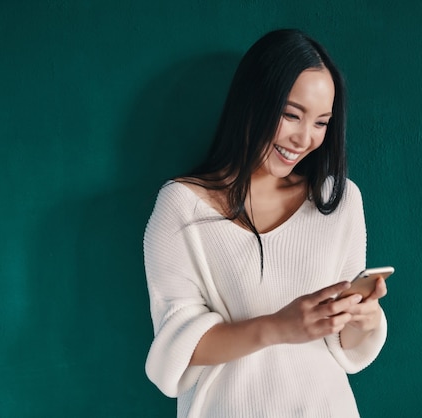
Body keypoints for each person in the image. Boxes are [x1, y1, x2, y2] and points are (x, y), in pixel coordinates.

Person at [143, 28, 388, 418]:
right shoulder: (181, 205)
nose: (305, 138)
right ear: (252, 102)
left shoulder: (339, 201)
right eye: (292, 114)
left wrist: (364, 318)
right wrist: (278, 327)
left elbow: (342, 345)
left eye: (322, 123)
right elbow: (177, 345)